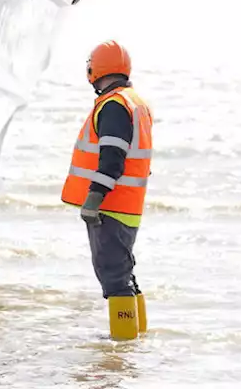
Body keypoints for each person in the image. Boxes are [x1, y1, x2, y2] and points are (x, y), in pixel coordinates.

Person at [61, 41, 153, 341]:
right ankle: (136, 339)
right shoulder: (134, 102)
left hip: (111, 206)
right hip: (128, 205)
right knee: (124, 272)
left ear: (94, 69)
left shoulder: (114, 105)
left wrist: (93, 198)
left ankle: (122, 346)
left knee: (114, 276)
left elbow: (113, 156)